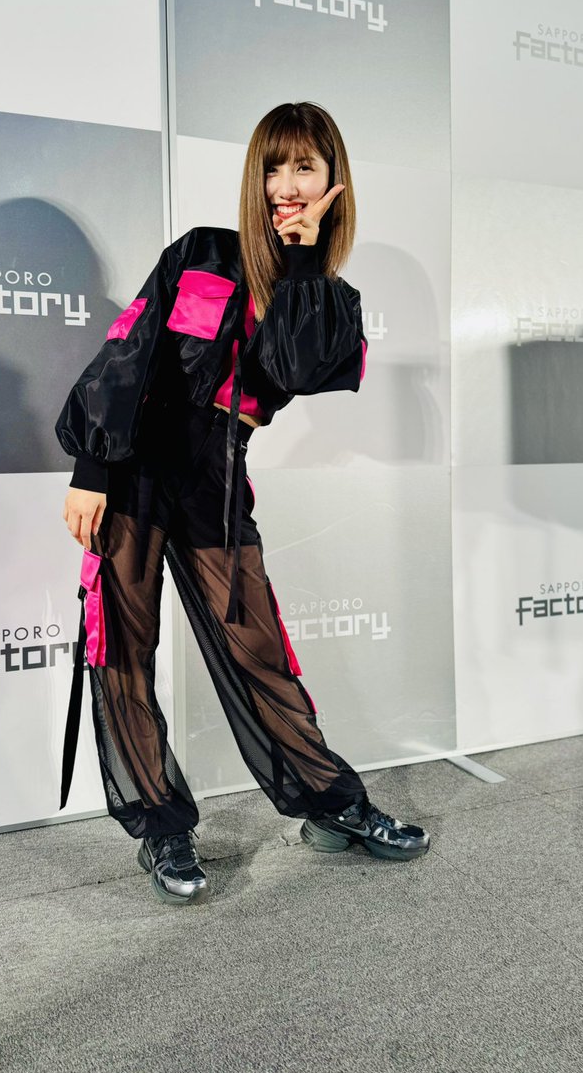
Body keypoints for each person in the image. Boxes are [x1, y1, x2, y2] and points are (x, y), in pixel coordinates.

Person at [56, 102, 430, 906]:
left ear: (333, 181)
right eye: (273, 167)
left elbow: (295, 368)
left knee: (258, 651)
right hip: (132, 471)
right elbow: (128, 354)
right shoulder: (200, 252)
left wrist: (301, 259)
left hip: (215, 483)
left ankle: (331, 805)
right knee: (122, 652)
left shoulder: (329, 301)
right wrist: (91, 466)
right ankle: (161, 827)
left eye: (305, 168)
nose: (287, 185)